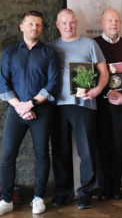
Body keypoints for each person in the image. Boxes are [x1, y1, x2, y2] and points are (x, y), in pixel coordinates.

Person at [0, 11, 59, 216]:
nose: (35, 28)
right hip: (16, 111)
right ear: (22, 27)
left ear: (42, 29)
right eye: (31, 24)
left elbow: (53, 82)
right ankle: (6, 200)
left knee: (42, 154)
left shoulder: (49, 53)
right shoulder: (10, 52)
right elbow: (3, 83)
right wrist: (21, 107)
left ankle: (38, 198)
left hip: (41, 111)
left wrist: (31, 104)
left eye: (39, 25)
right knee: (7, 155)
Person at [49, 9, 109, 209]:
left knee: (87, 152)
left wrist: (98, 90)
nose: (68, 27)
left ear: (76, 23)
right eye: (64, 23)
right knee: (60, 151)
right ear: (58, 25)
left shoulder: (90, 44)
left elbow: (103, 71)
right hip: (57, 106)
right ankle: (62, 192)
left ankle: (85, 193)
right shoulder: (50, 47)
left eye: (72, 23)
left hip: (85, 104)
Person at [93, 9, 122, 201]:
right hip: (101, 104)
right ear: (101, 22)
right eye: (110, 21)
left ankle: (116, 186)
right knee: (102, 145)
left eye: (117, 21)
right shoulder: (94, 43)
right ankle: (104, 187)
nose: (114, 24)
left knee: (119, 145)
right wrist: (106, 91)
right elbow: (91, 73)